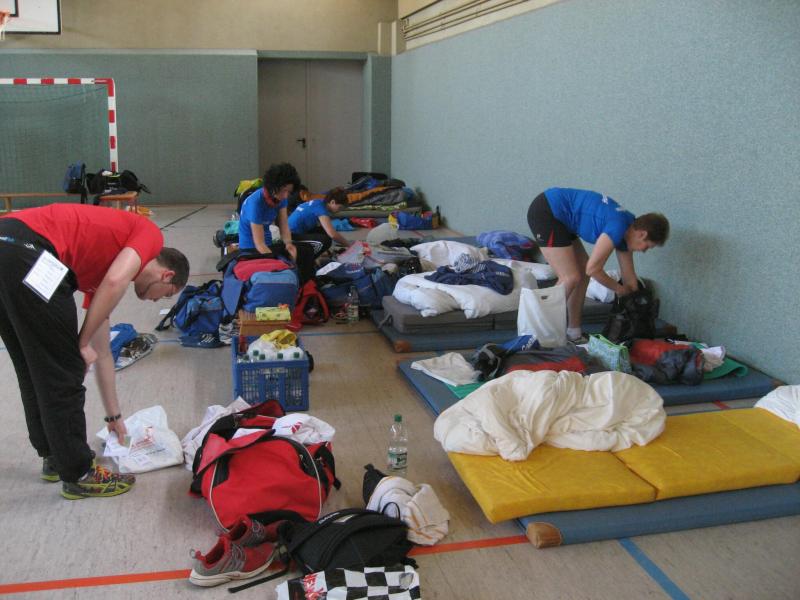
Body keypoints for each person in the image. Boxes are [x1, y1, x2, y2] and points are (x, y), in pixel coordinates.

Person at [0, 203, 190, 499]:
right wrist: (81, 343)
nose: (155, 302)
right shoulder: (149, 236)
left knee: (33, 365)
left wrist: (114, 417)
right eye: (165, 296)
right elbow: (116, 282)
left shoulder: (99, 271)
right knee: (64, 370)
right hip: (29, 249)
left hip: (8, 243)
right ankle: (79, 473)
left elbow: (104, 355)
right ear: (167, 276)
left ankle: (54, 455)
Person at [527, 187, 669, 343]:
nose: (644, 251)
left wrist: (639, 306)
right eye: (647, 246)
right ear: (642, 234)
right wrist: (619, 289)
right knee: (570, 277)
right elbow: (593, 269)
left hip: (564, 218)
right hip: (548, 210)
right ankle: (536, 334)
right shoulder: (618, 226)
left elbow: (630, 279)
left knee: (581, 273)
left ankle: (574, 333)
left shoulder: (628, 231)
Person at [238, 163, 315, 282]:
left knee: (306, 250)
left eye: (289, 192)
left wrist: (288, 244)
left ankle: (304, 286)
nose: (286, 196)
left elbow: (284, 226)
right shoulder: (255, 204)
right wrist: (278, 262)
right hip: (251, 249)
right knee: (286, 266)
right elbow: (259, 244)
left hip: (268, 246)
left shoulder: (280, 199)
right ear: (273, 186)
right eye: (284, 191)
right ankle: (297, 284)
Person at [289, 187, 353, 258]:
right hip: (292, 236)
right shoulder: (321, 208)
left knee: (324, 232)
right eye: (340, 208)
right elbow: (333, 234)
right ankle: (306, 259)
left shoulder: (319, 202)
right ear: (332, 202)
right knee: (325, 241)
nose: (339, 211)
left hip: (296, 232)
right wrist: (350, 245)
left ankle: (321, 254)